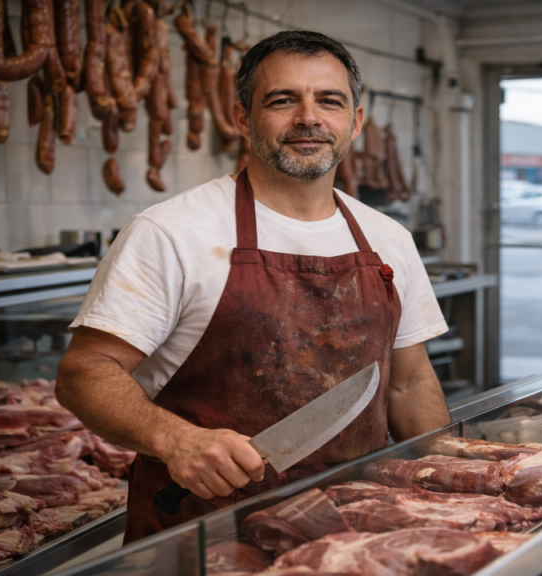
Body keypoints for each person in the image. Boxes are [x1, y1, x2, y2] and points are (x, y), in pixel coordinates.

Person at [55, 31, 451, 542]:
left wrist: (449, 481)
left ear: (354, 122)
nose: (308, 117)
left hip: (355, 532)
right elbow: (84, 373)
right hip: (204, 537)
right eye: (283, 100)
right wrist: (174, 440)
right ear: (243, 118)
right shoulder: (172, 231)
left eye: (329, 101)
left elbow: (408, 382)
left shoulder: (388, 237)